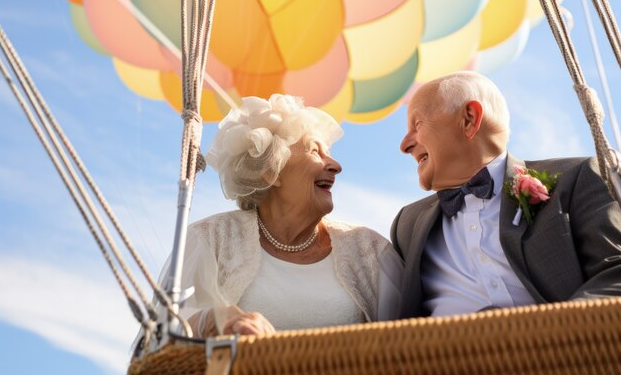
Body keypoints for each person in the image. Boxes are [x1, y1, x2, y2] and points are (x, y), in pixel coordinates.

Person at [391, 70, 621, 318]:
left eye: (417, 125)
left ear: (469, 119)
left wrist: (556, 334)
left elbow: (615, 272)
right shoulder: (407, 224)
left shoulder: (577, 178)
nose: (405, 145)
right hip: (446, 355)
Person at [173, 94, 402, 337]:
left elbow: (410, 344)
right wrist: (211, 320)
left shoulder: (370, 250)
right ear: (271, 171)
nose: (336, 165)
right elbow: (162, 341)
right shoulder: (211, 238)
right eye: (315, 151)